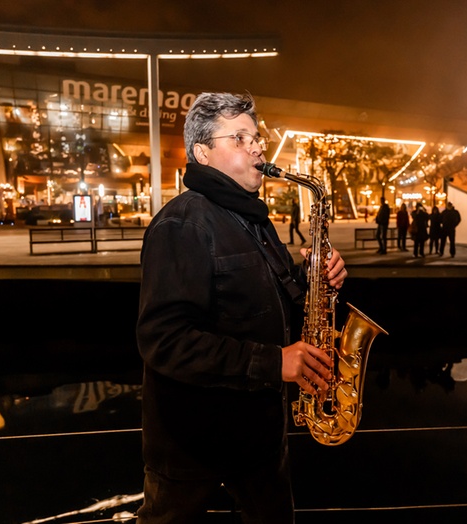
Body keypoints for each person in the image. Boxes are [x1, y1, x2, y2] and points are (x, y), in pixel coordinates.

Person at [135, 92, 347, 524]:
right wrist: (273, 362)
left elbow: (276, 304)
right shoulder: (183, 223)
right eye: (240, 137)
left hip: (258, 441)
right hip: (194, 448)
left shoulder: (254, 219)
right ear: (203, 153)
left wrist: (316, 282)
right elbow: (165, 341)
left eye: (257, 137)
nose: (258, 146)